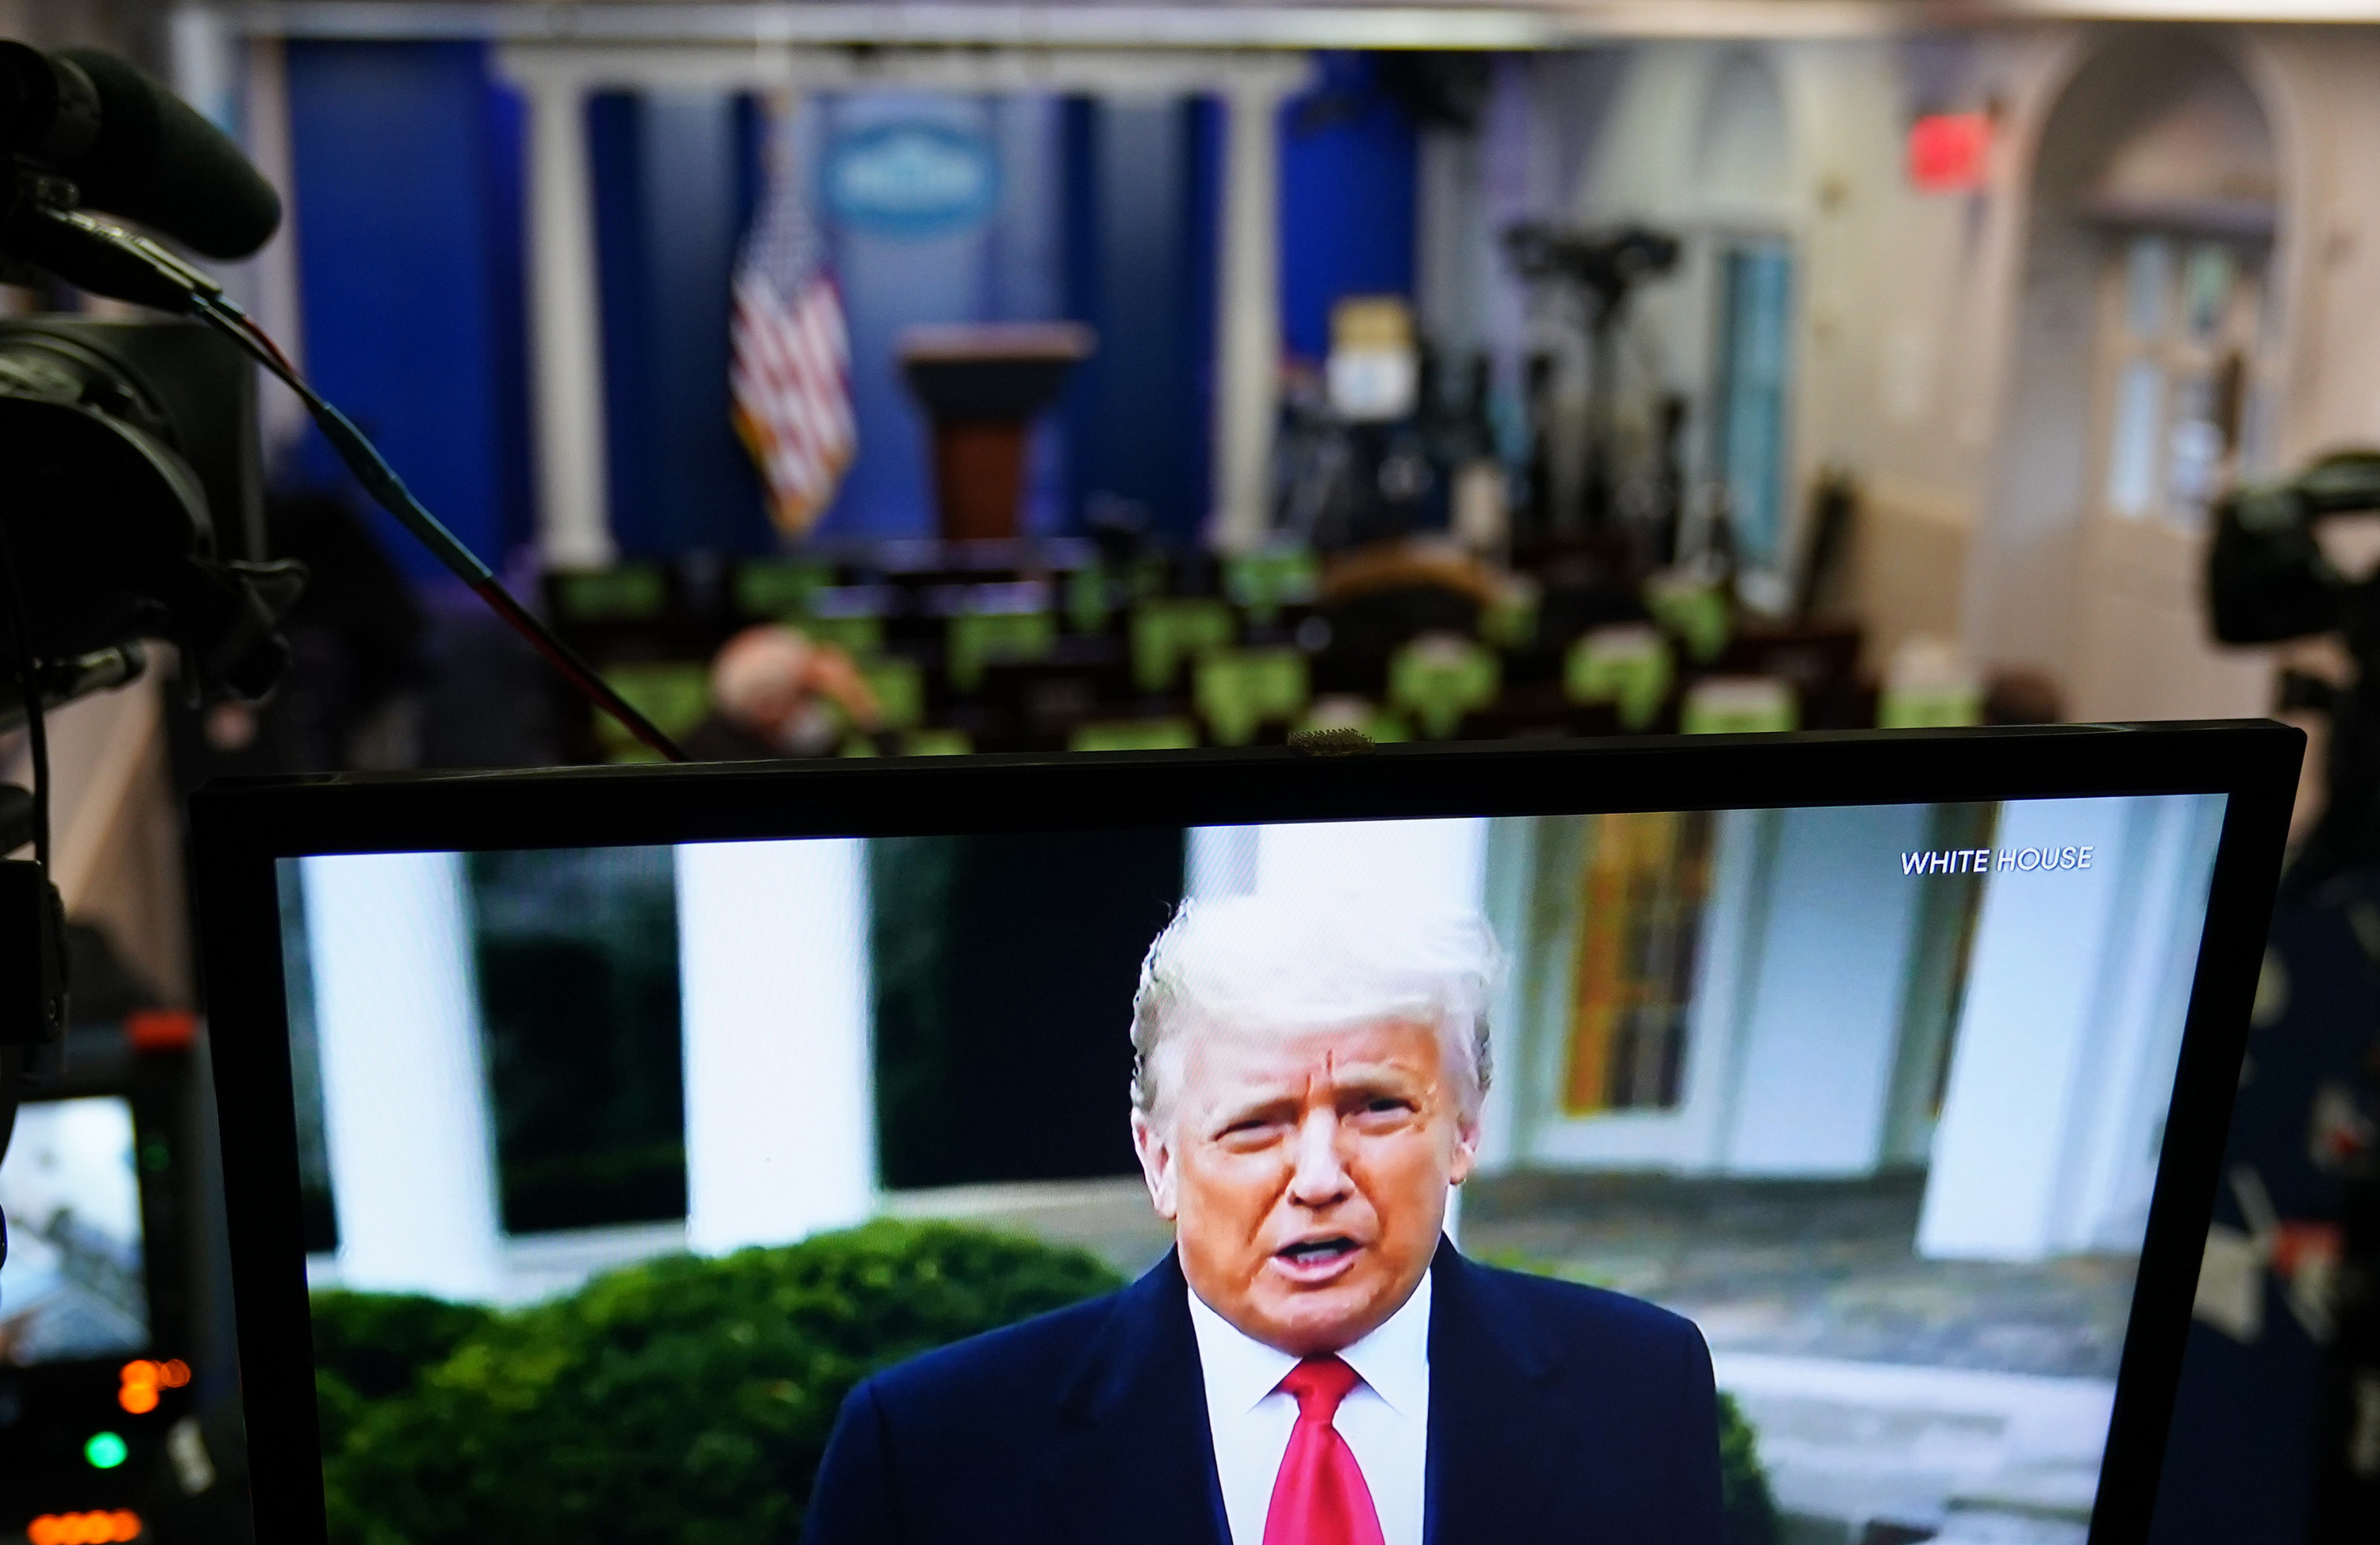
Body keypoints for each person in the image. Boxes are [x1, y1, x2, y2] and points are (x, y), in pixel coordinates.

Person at [804, 892, 1725, 1544]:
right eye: (1257, 1124)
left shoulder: (1642, 1386)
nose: (1319, 1175)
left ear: (1464, 1130)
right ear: (1160, 1160)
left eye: (1375, 1107)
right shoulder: (930, 1447)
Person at [680, 623, 881, 761]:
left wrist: (858, 702)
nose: (811, 707)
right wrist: (863, 708)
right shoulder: (715, 752)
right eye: (803, 695)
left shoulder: (794, 743)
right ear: (768, 705)